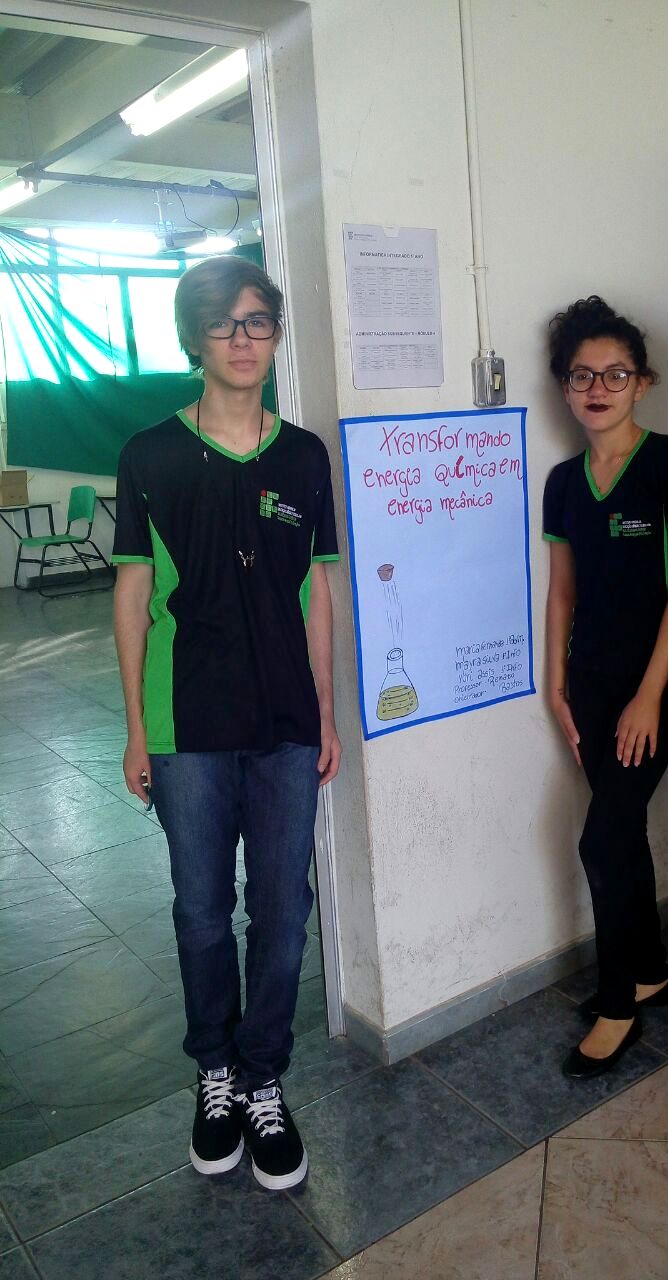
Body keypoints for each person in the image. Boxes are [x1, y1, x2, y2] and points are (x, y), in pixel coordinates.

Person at [112, 255, 341, 1187]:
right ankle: (214, 1071)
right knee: (203, 912)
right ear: (194, 339)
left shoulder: (305, 457)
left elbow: (318, 595)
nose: (243, 339)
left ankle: (262, 1077)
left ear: (276, 334)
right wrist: (137, 729)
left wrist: (327, 715)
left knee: (283, 915)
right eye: (222, 323)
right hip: (187, 727)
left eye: (258, 321)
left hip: (287, 723)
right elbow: (133, 598)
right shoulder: (150, 455)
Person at [543, 296, 668, 1079]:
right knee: (623, 827)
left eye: (615, 373)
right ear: (565, 386)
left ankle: (618, 1008)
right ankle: (651, 973)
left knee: (600, 839)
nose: (598, 388)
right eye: (582, 375)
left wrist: (653, 694)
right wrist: (555, 685)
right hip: (589, 686)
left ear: (643, 382)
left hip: (655, 687)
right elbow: (563, 593)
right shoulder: (562, 482)